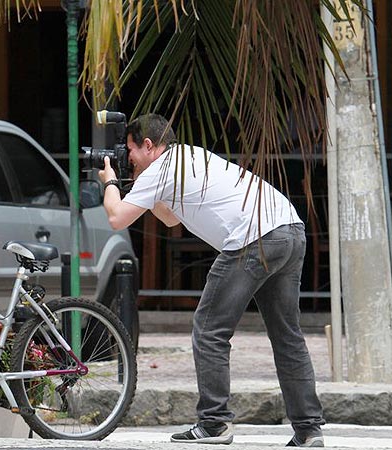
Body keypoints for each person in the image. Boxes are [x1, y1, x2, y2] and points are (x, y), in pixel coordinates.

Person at [99, 114, 325, 447]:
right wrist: (138, 189)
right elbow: (170, 218)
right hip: (288, 229)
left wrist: (110, 183)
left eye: (131, 151)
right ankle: (308, 429)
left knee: (209, 329)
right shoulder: (190, 155)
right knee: (287, 336)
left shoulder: (160, 169)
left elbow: (117, 218)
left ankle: (215, 422)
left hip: (252, 239)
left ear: (148, 145)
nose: (129, 158)